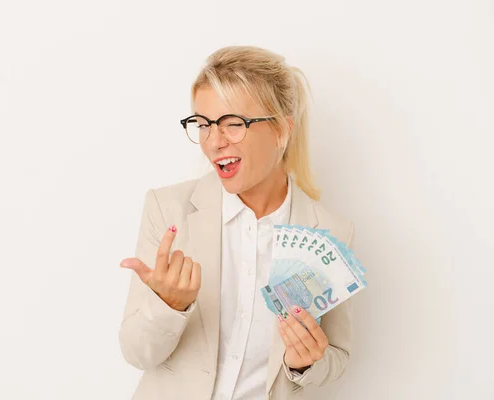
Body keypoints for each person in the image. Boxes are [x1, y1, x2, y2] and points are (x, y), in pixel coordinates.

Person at [118, 45, 356, 400]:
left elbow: (337, 355)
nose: (214, 142)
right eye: (203, 124)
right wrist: (168, 306)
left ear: (281, 131)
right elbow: (138, 353)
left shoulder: (329, 232)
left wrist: (306, 363)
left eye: (233, 124)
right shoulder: (169, 210)